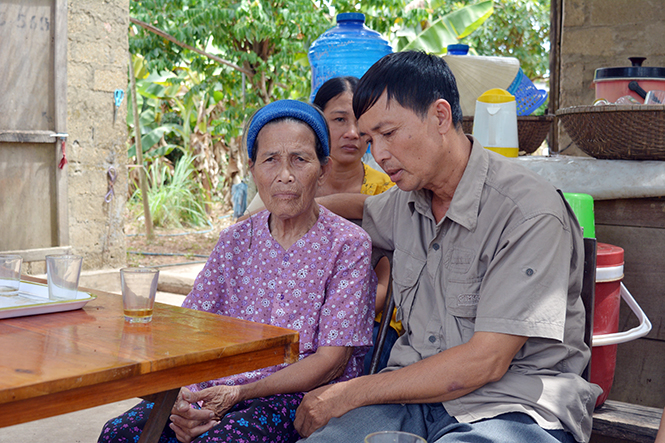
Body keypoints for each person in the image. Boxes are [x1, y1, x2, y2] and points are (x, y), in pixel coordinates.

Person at [293, 51, 602, 443]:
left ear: (440, 116)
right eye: (370, 139)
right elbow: (360, 209)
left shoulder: (528, 213)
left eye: (388, 133)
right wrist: (289, 213)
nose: (379, 154)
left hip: (511, 407)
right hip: (409, 401)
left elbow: (485, 362)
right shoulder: (408, 199)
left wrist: (348, 393)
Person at [98, 100, 376, 443]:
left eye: (300, 160)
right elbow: (189, 328)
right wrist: (184, 396)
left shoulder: (348, 244)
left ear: (323, 169)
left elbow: (330, 361)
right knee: (118, 434)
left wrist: (240, 392)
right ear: (253, 168)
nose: (284, 174)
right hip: (212, 388)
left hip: (294, 395)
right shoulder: (234, 240)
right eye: (271, 159)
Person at [244, 76, 399, 373]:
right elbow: (247, 232)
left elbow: (385, 281)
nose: (352, 133)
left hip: (364, 323)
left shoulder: (386, 188)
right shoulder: (281, 183)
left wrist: (329, 318)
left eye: (360, 122)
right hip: (280, 323)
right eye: (339, 119)